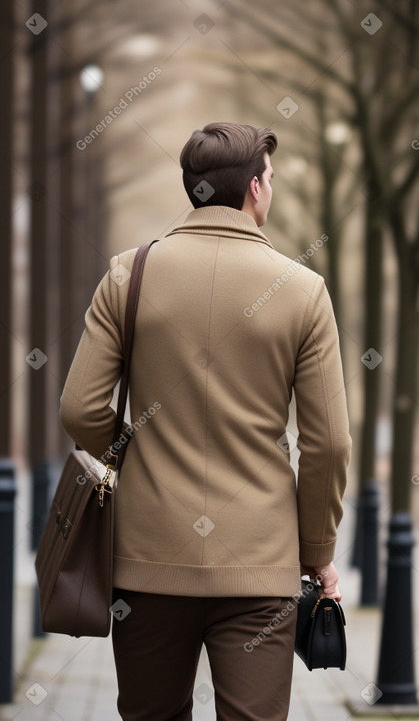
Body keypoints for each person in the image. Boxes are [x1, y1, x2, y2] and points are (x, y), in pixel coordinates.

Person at [60, 122, 351, 721]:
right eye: (269, 177)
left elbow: (80, 409)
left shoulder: (127, 275)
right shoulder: (304, 291)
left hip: (146, 561)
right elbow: (328, 444)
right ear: (253, 188)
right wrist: (316, 550)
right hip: (260, 568)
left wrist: (134, 450)